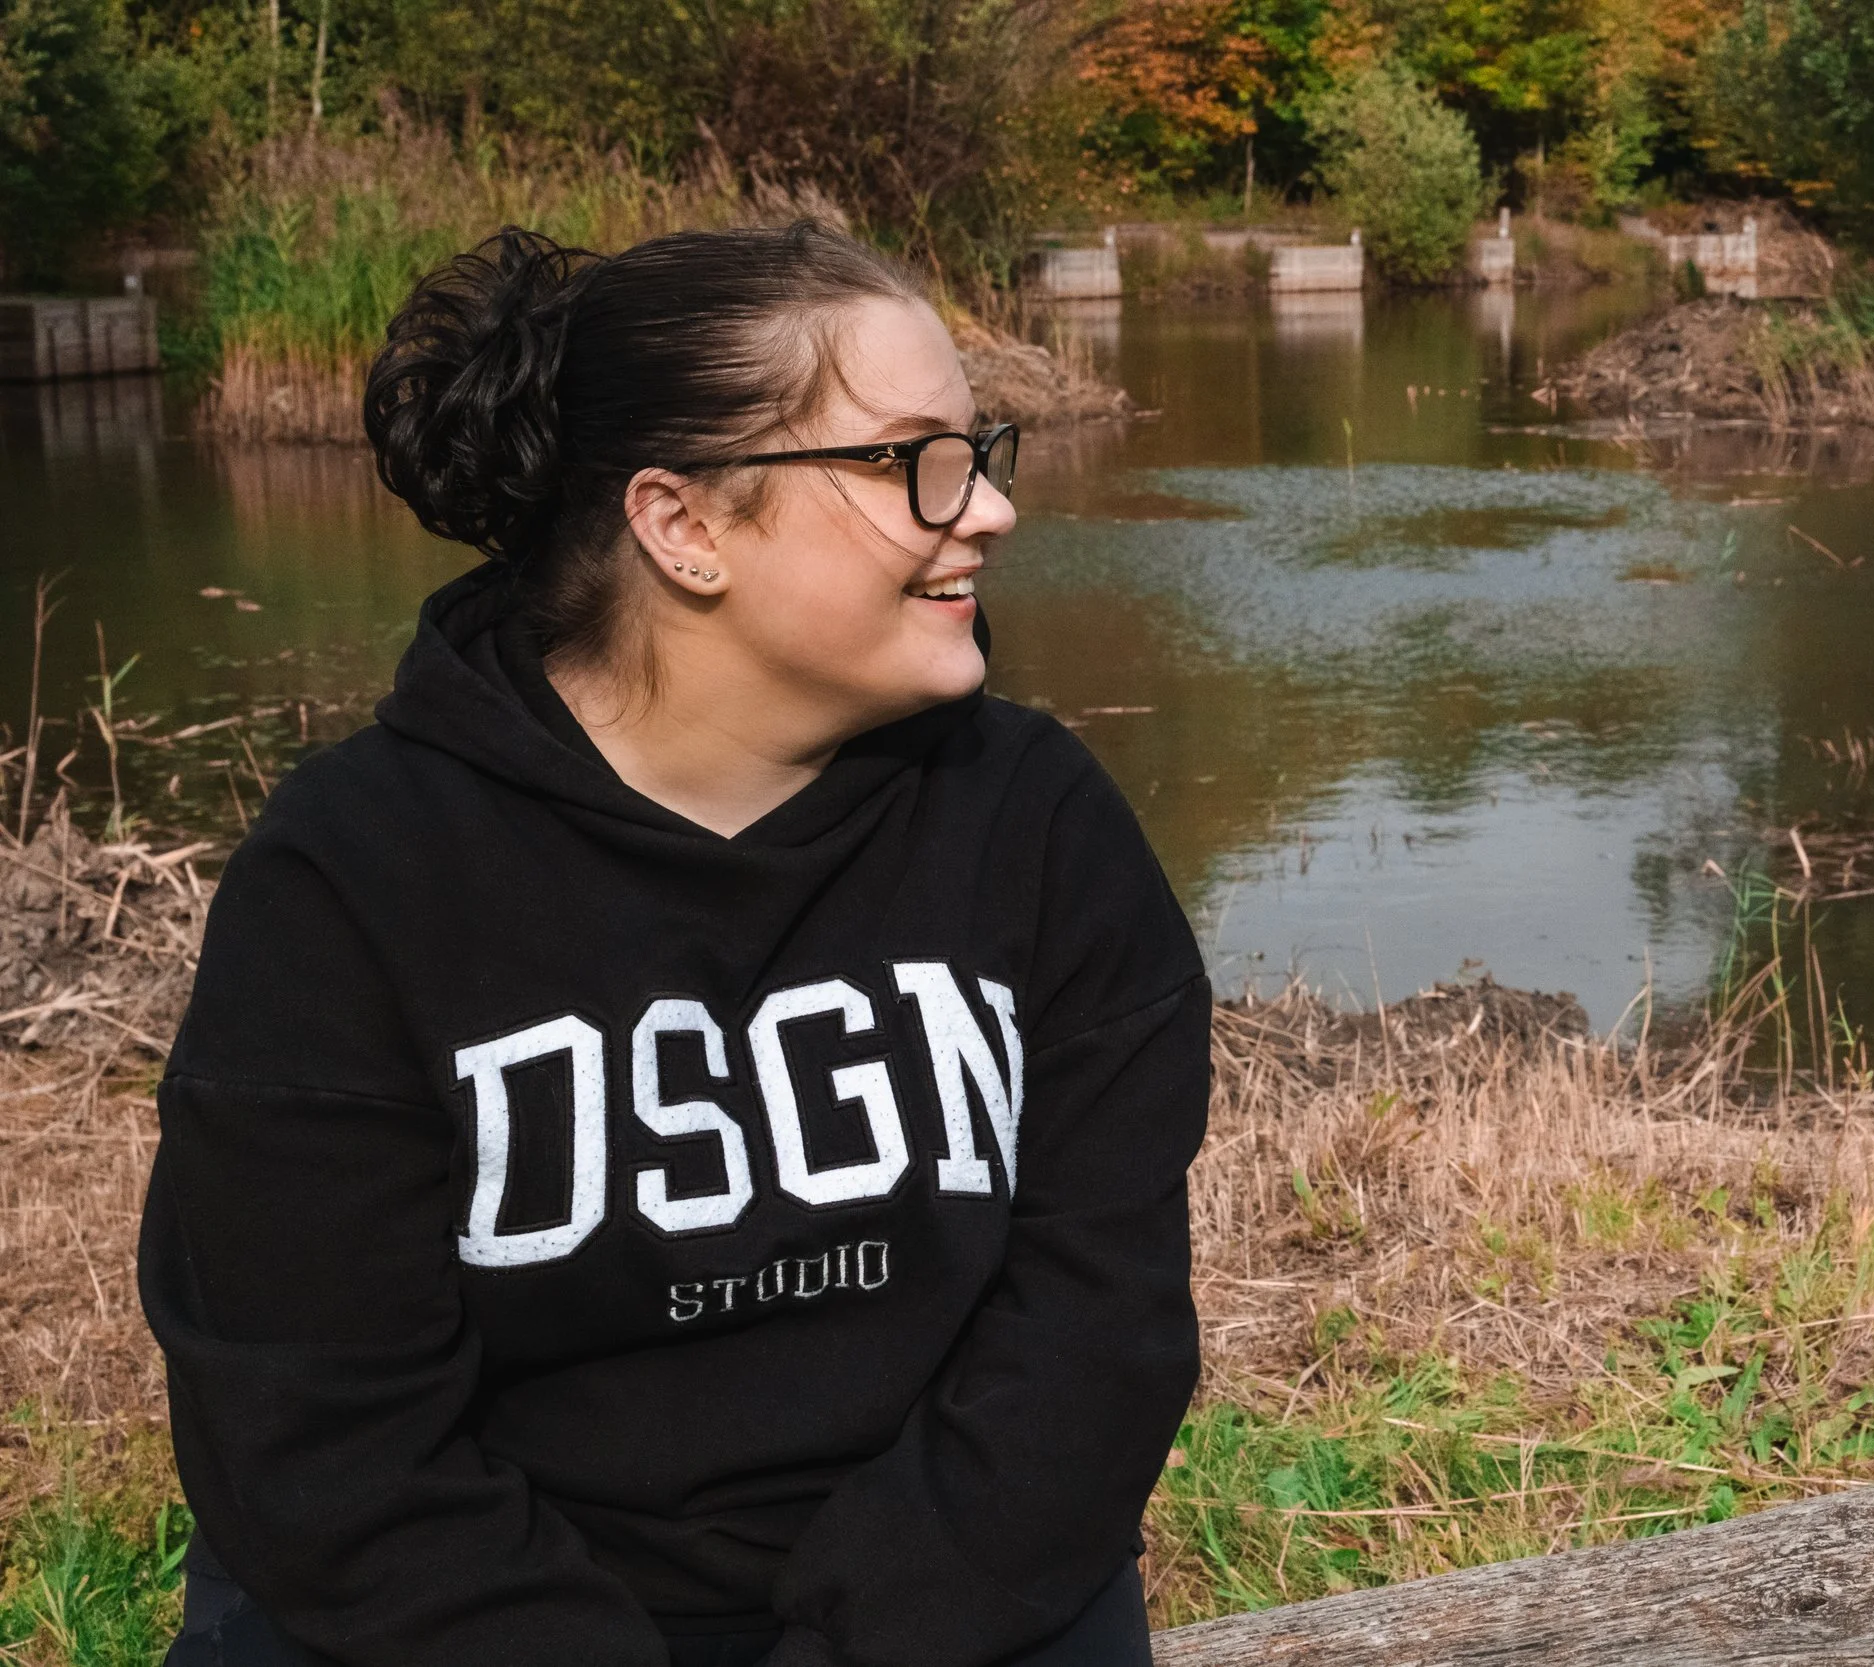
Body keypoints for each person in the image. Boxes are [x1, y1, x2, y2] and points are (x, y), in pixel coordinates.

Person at [139, 222, 1209, 1667]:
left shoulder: (1036, 823)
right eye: (915, 461)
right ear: (682, 525)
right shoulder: (357, 876)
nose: (992, 509)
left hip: (948, 1607)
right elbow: (322, 1434)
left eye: (980, 452)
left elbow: (1092, 1343)